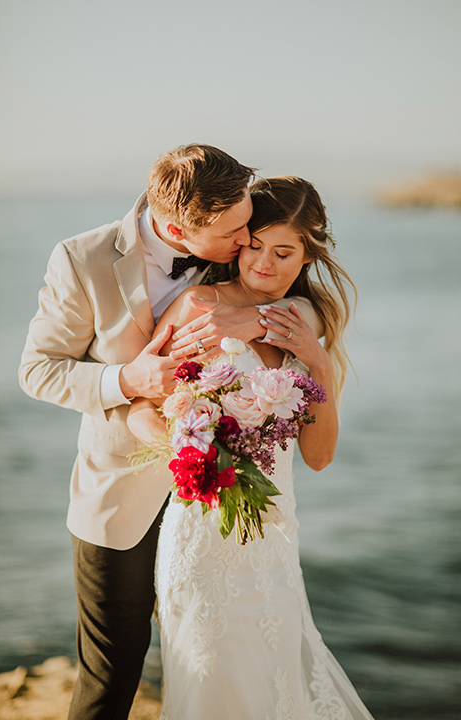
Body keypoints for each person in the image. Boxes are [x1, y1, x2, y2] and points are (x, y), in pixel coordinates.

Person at [18, 144, 296, 720]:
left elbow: (306, 297)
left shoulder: (236, 241)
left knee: (218, 654)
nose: (247, 242)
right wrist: (127, 378)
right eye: (234, 233)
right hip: (117, 493)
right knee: (113, 668)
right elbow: (38, 370)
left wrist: (257, 318)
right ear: (177, 227)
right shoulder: (80, 259)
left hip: (219, 502)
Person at [128, 177, 374, 719]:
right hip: (202, 529)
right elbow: (141, 407)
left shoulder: (307, 320)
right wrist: (188, 451)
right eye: (253, 245)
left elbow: (319, 455)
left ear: (308, 255)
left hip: (273, 537)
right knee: (210, 680)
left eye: (284, 252)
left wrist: (319, 363)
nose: (263, 263)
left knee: (275, 683)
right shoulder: (197, 304)